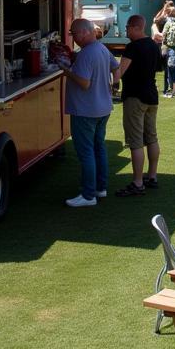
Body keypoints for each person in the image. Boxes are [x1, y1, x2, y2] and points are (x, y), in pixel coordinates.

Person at [60, 18, 119, 207]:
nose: (73, 37)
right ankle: (100, 188)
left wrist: (66, 71)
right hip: (102, 108)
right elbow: (115, 67)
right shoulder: (101, 49)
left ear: (85, 32)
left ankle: (88, 195)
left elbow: (84, 83)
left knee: (86, 152)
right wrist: (113, 85)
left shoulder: (87, 53)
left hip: (86, 111)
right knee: (98, 148)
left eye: (73, 33)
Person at [109, 14, 161, 197]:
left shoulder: (132, 47)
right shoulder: (153, 45)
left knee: (135, 141)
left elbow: (119, 72)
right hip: (151, 95)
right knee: (152, 137)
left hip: (135, 97)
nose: (126, 31)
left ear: (135, 27)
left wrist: (112, 83)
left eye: (127, 28)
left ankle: (138, 182)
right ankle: (152, 176)